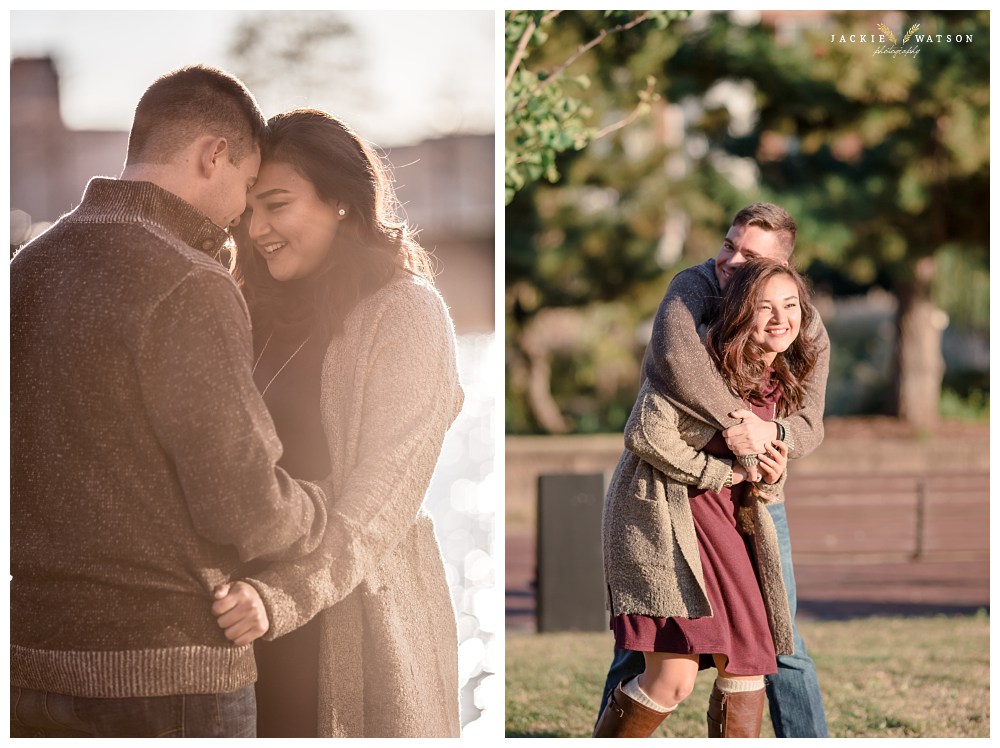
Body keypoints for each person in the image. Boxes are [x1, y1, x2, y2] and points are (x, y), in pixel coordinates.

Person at [10, 66, 332, 738]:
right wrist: (317, 509)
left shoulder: (24, 271)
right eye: (246, 187)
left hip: (30, 672)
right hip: (172, 679)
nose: (243, 214)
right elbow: (241, 502)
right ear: (212, 154)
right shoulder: (191, 281)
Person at [210, 109, 464, 738]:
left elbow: (380, 502)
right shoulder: (242, 308)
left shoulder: (408, 314)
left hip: (351, 616)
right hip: (237, 625)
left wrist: (281, 597)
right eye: (249, 209)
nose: (257, 227)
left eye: (276, 204)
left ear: (342, 202)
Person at [596, 203, 830, 737]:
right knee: (650, 657)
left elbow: (808, 424)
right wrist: (739, 432)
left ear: (782, 269)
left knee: (772, 644)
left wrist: (773, 444)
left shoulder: (801, 330)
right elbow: (669, 382)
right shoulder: (693, 297)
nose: (728, 259)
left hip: (750, 510)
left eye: (750, 255)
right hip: (677, 507)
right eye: (730, 244)